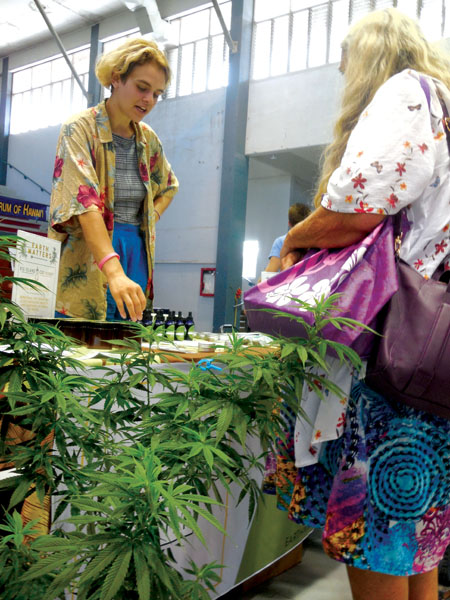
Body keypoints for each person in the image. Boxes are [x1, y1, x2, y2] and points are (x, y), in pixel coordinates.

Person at [272, 8, 450, 600]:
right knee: (414, 536)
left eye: (345, 63)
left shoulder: (406, 92)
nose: (342, 75)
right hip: (435, 359)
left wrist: (295, 239)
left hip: (393, 353)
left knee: (374, 533)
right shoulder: (446, 104)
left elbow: (357, 209)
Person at [48, 38, 178, 322]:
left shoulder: (148, 139)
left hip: (135, 249)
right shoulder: (79, 129)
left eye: (157, 94)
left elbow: (169, 186)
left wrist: (150, 217)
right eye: (142, 88)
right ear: (116, 78)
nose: (149, 100)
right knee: (81, 345)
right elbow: (86, 203)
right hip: (91, 249)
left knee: (125, 347)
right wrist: (113, 269)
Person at [263, 203, 311, 274]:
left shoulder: (281, 242)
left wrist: (259, 283)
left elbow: (269, 273)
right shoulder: (316, 242)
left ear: (289, 223)